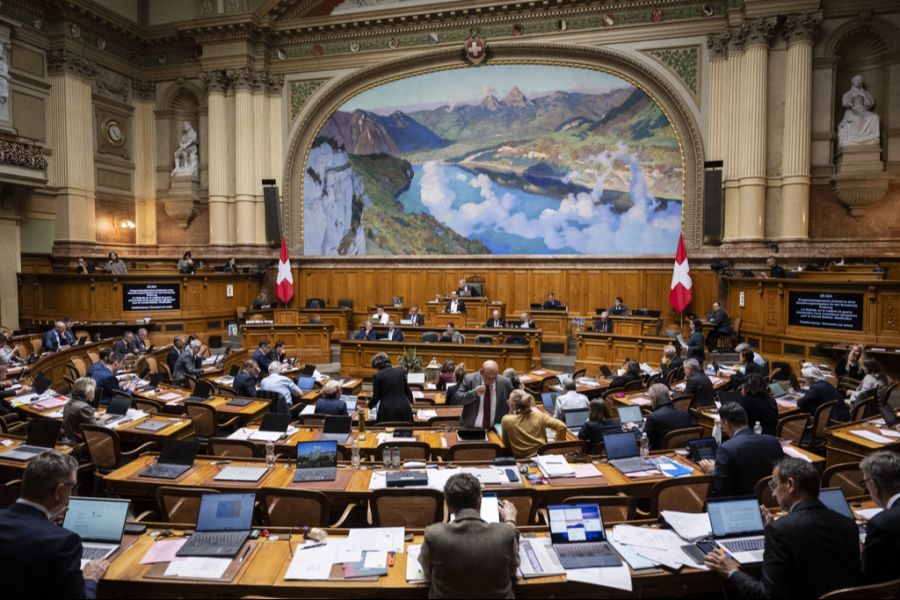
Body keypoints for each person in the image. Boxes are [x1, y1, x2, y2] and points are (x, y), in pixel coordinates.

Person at [705, 457, 860, 599]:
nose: (773, 493)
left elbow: (768, 596)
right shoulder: (848, 524)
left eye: (774, 485)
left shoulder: (780, 531)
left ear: (791, 485)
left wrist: (732, 572)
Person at [0, 450, 110, 599]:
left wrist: (44, 521)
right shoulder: (62, 542)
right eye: (72, 488)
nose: (72, 494)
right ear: (59, 491)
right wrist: (90, 579)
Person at [419, 472, 519, 598]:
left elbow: (427, 572)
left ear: (448, 506)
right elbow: (513, 568)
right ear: (479, 502)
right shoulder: (505, 533)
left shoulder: (434, 535)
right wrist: (510, 520)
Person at [699, 402, 784, 497]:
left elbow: (721, 490)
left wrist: (712, 471)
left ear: (727, 423)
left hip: (741, 503)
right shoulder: (773, 441)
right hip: (771, 500)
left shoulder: (726, 449)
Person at [859, 450, 900, 583]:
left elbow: (868, 573)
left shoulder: (881, 523)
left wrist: (863, 551)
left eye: (865, 482)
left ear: (874, 485)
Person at [500, 389, 568, 459]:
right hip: (543, 457)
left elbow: (506, 444)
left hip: (522, 461)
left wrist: (511, 412)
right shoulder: (539, 416)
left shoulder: (506, 420)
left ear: (512, 405)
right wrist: (555, 448)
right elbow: (562, 426)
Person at [457, 360, 514, 428]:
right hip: (471, 428)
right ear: (481, 372)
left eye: (494, 377)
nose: (491, 381)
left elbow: (512, 403)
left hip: (495, 429)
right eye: (488, 378)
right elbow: (458, 399)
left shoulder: (505, 383)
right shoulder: (469, 379)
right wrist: (474, 393)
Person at [642, 383, 692, 450]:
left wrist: (634, 428)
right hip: (681, 452)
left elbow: (645, 439)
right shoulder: (685, 414)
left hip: (659, 453)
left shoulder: (653, 417)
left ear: (654, 399)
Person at [367, 352, 413, 423]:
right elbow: (408, 391)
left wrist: (369, 405)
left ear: (378, 366)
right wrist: (411, 401)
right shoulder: (400, 372)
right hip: (404, 409)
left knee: (386, 432)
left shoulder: (378, 376)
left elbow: (376, 397)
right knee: (405, 431)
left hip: (387, 411)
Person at [62, 377, 104, 443]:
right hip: (80, 442)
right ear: (89, 392)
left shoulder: (69, 402)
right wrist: (104, 418)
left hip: (69, 437)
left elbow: (79, 417)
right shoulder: (84, 407)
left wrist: (92, 415)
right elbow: (96, 427)